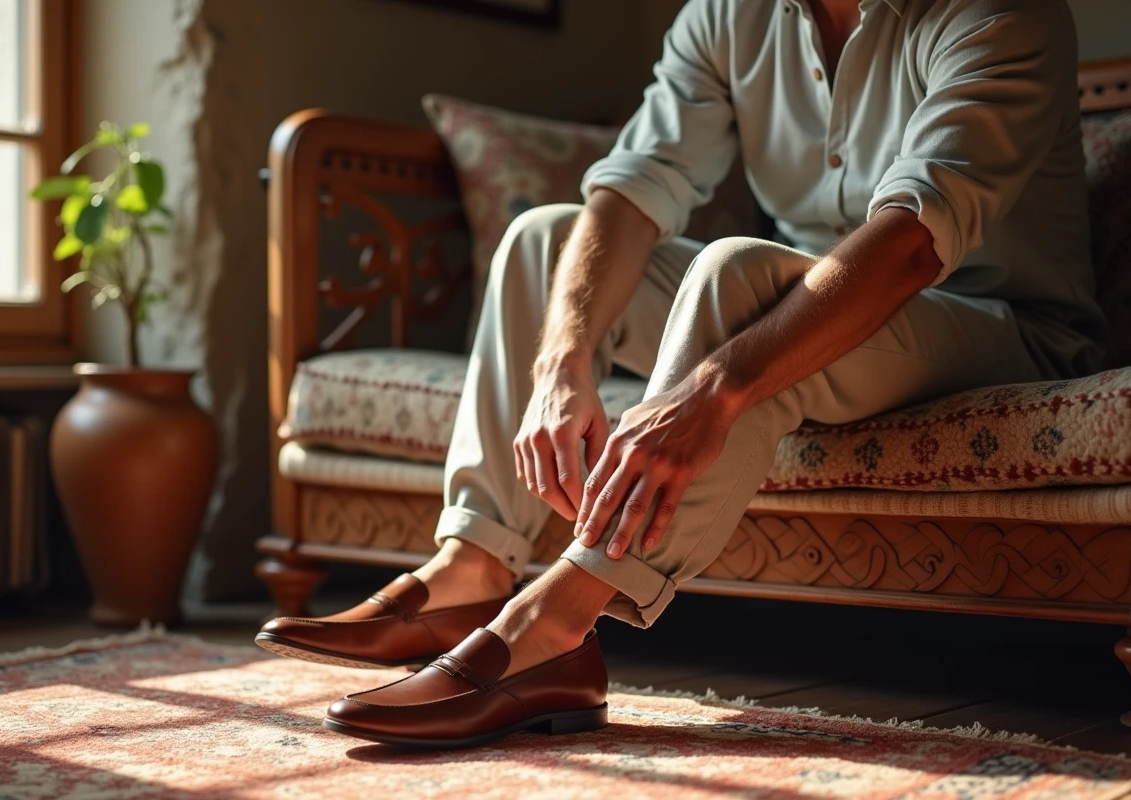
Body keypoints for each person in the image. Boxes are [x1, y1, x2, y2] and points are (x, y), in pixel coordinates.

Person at [256, 0, 1105, 749]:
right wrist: (563, 362)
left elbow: (914, 239)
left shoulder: (1000, 12)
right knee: (543, 239)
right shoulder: (729, 14)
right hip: (821, 306)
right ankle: (469, 571)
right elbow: (634, 187)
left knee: (737, 273)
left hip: (999, 325)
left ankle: (555, 627)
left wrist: (715, 389)